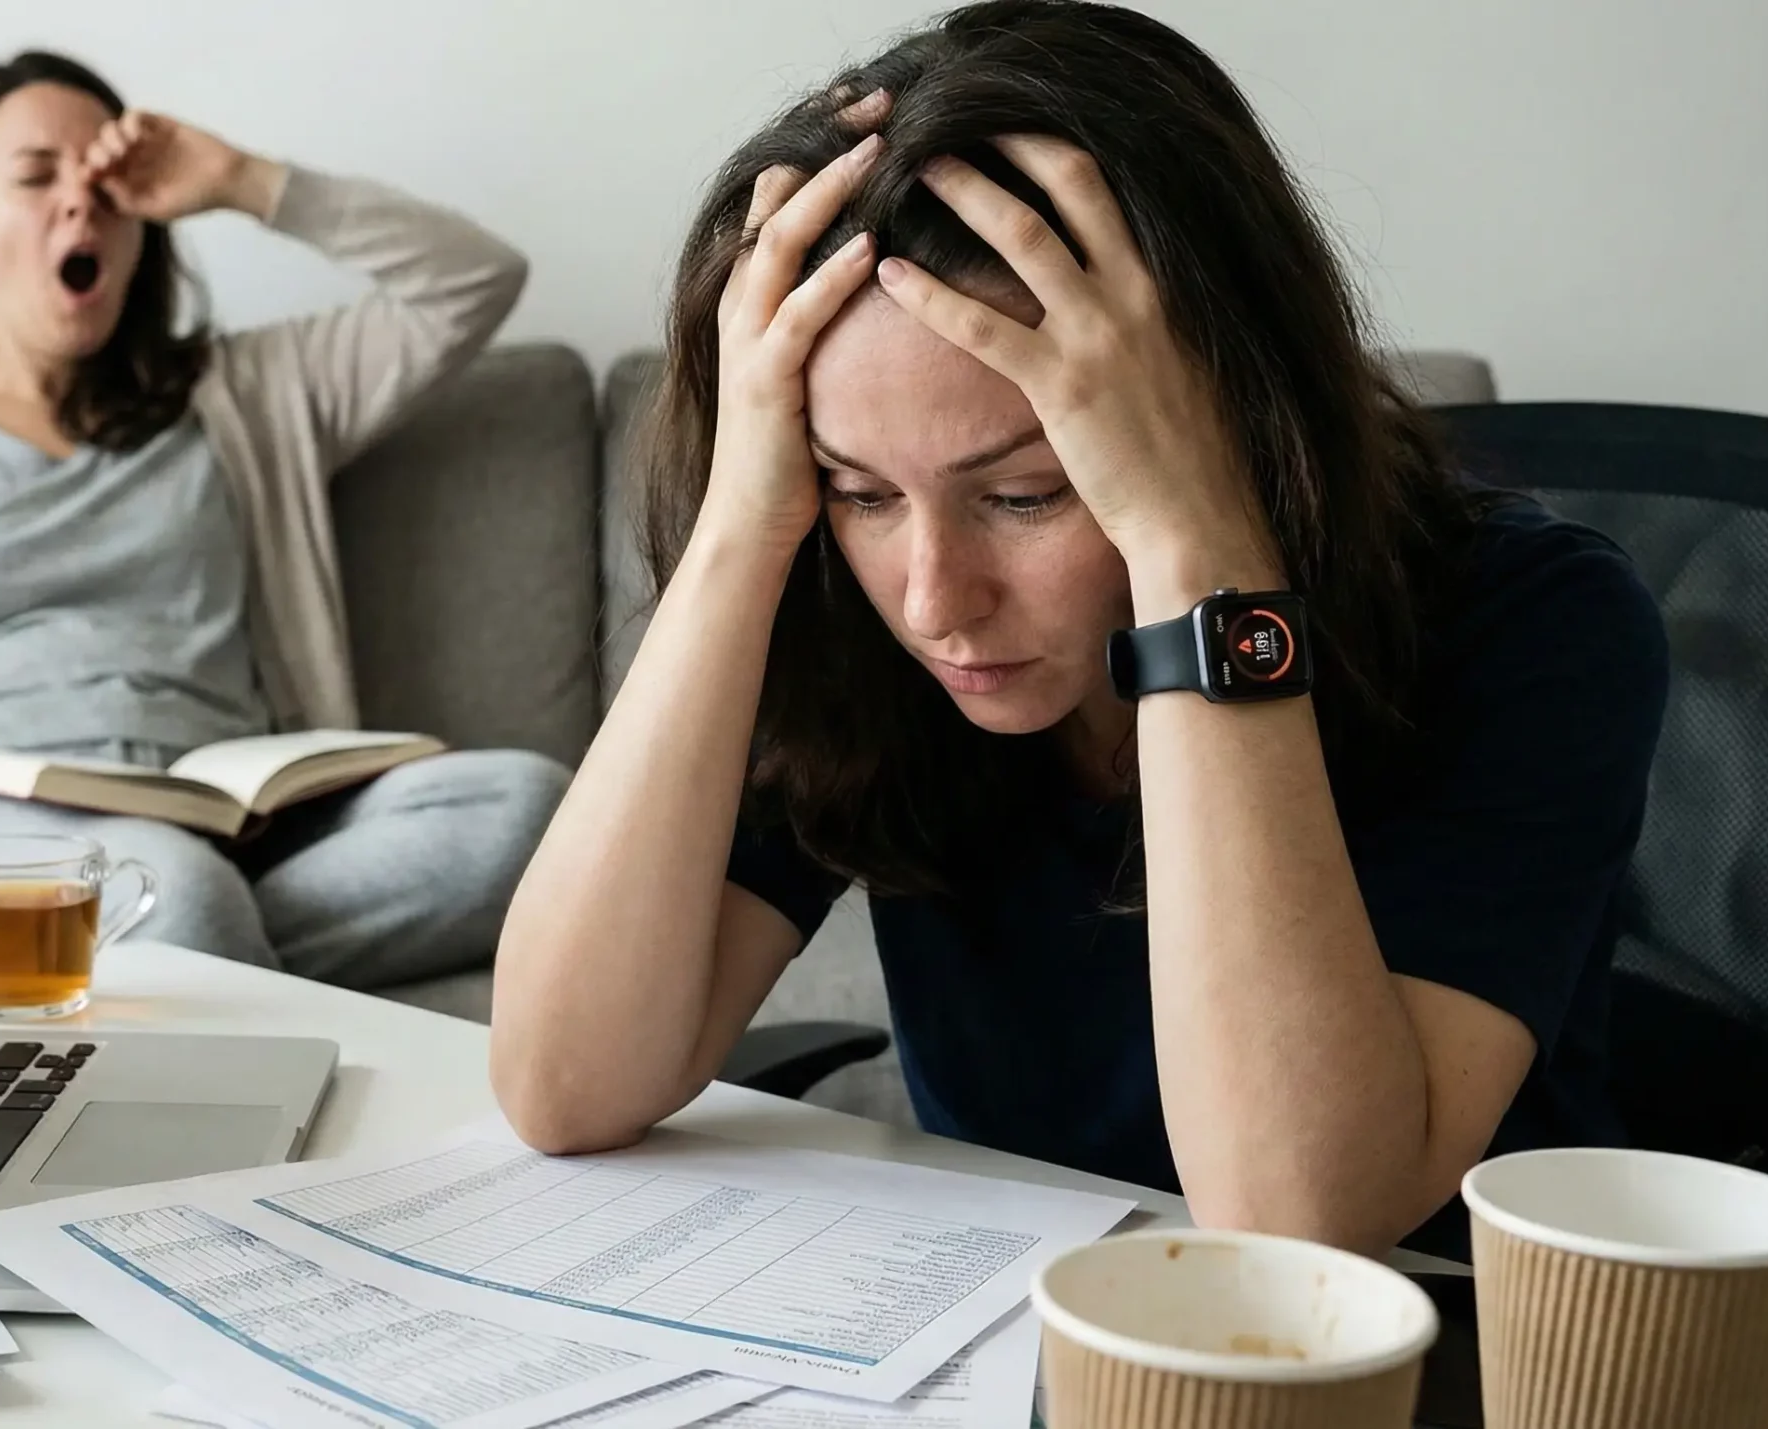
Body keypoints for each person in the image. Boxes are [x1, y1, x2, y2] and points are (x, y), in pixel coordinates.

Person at [490, 0, 1667, 1260]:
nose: (934, 604)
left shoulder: (1538, 622)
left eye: (1023, 495)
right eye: (861, 491)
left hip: (1434, 1327)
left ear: (1219, 412)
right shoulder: (846, 623)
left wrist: (1192, 546)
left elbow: (1294, 1218)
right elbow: (564, 1085)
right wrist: (744, 525)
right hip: (1012, 1307)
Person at [0, 51, 566, 994]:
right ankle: (115, 942)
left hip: (228, 821)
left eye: (107, 183)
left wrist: (239, 180)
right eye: (37, 176)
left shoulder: (249, 393)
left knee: (533, 812)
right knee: (180, 896)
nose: (80, 204)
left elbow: (475, 280)